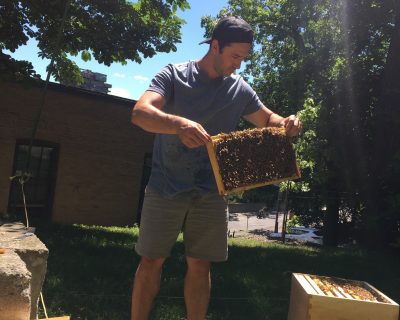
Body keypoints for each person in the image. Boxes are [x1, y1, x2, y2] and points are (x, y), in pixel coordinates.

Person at [130, 16, 301, 320]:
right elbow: (140, 113)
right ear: (215, 45)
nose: (239, 64)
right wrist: (178, 123)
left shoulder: (240, 89)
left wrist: (286, 123)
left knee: (201, 264)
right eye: (235, 56)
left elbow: (267, 119)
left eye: (244, 58)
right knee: (151, 261)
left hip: (212, 191)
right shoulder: (173, 75)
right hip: (165, 186)